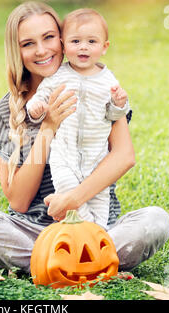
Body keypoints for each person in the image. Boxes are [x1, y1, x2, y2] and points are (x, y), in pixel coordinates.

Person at [0, 1, 169, 273]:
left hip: (97, 228)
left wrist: (73, 199)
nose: (42, 50)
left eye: (48, 37)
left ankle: (63, 262)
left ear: (62, 38)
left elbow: (124, 156)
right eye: (28, 43)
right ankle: (79, 262)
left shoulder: (99, 88)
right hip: (35, 231)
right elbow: (18, 201)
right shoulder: (5, 110)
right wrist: (48, 127)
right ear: (16, 51)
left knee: (156, 220)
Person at [26, 8, 131, 229]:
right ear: (64, 45)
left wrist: (118, 103)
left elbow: (113, 116)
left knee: (100, 199)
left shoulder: (107, 80)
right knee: (65, 184)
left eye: (91, 41)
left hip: (97, 157)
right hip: (65, 153)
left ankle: (98, 232)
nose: (83, 47)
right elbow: (42, 95)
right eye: (76, 41)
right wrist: (36, 106)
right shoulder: (59, 75)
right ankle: (85, 229)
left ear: (104, 47)